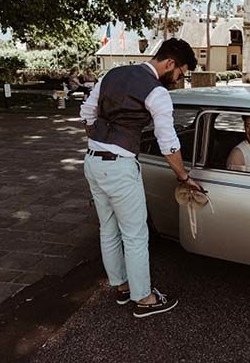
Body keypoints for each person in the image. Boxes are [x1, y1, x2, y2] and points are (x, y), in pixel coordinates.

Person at [80, 38, 200, 318]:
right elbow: (168, 142)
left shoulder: (113, 74)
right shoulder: (157, 93)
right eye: (181, 72)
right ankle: (144, 298)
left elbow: (87, 114)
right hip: (120, 167)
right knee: (135, 235)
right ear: (170, 63)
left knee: (108, 229)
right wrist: (183, 176)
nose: (179, 79)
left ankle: (122, 287)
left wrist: (101, 140)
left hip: (92, 161)